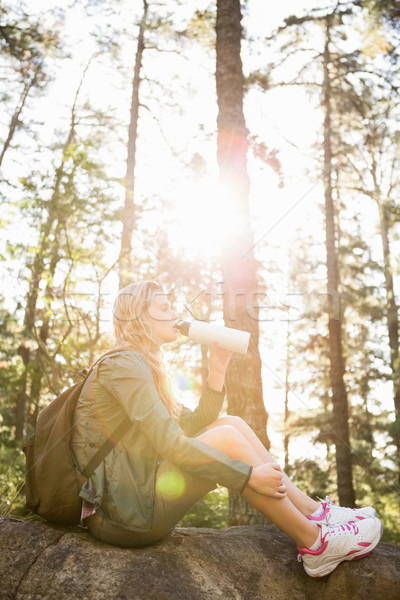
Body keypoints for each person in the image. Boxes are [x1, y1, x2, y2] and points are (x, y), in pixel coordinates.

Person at [71, 280, 383, 578]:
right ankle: (317, 543)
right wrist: (246, 476)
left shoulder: (139, 364)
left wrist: (216, 371)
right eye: (164, 308)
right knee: (227, 437)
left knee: (231, 424)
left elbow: (191, 426)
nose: (175, 315)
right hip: (120, 515)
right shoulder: (125, 364)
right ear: (139, 316)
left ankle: (317, 515)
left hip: (133, 498)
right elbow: (171, 444)